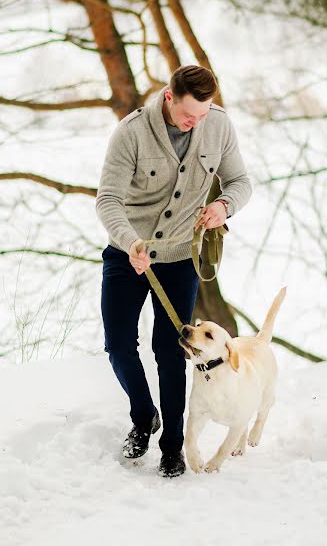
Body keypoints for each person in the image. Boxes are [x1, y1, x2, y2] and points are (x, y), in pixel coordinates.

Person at [96, 65, 251, 477]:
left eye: (203, 115)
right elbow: (107, 200)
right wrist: (131, 241)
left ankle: (172, 447)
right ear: (169, 96)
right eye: (188, 116)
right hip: (127, 253)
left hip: (181, 256)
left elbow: (240, 182)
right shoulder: (130, 133)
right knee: (118, 345)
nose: (196, 123)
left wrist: (223, 207)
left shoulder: (218, 125)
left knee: (170, 351)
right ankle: (144, 416)